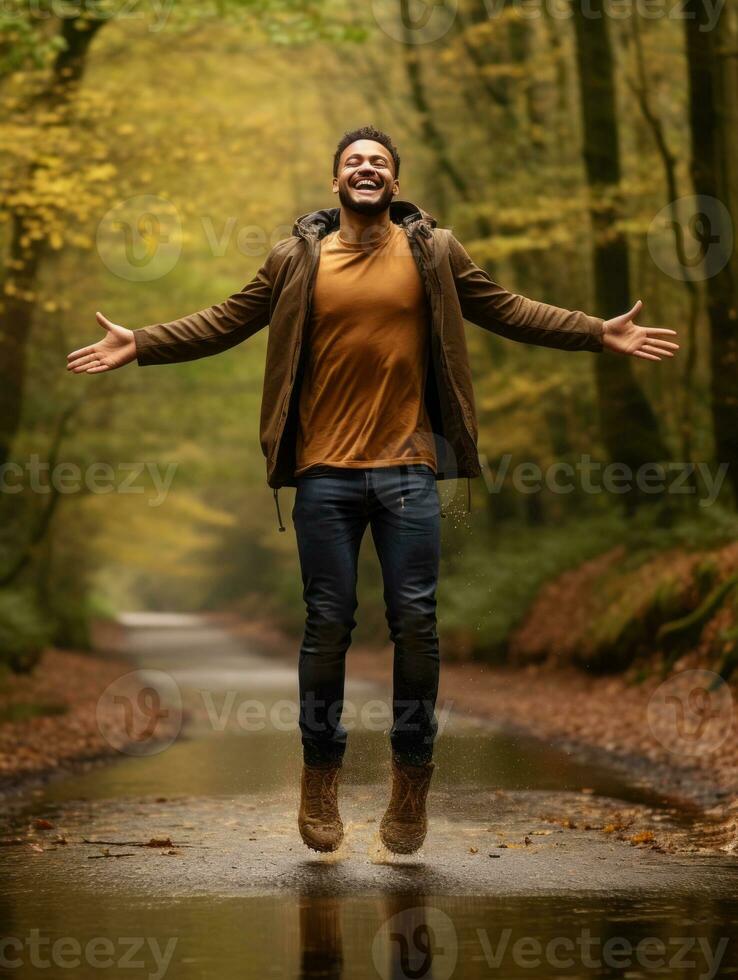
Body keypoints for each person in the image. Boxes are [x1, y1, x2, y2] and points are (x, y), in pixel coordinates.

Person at [66, 125, 679, 855]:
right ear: (335, 182)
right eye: (354, 161)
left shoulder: (436, 251)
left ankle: (410, 780)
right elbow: (227, 319)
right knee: (328, 624)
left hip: (410, 468)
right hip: (323, 473)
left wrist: (592, 331)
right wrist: (143, 343)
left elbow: (508, 307)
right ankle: (320, 778)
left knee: (416, 620)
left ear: (394, 180)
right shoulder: (295, 258)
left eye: (378, 163)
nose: (366, 169)